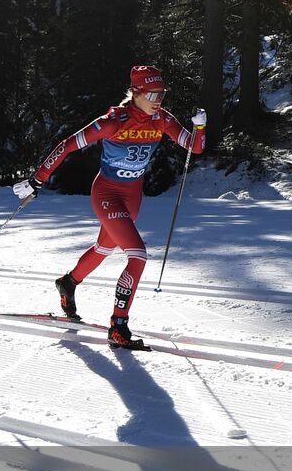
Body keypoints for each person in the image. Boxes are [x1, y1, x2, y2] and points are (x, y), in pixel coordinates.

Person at [13, 65, 206, 350]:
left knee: (104, 248)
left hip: (133, 196)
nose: (158, 100)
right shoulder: (113, 122)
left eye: (162, 94)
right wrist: (37, 180)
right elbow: (68, 145)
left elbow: (194, 147)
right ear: (137, 92)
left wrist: (200, 126)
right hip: (106, 194)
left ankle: (68, 282)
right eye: (152, 93)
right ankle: (118, 326)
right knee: (137, 256)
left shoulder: (162, 120)